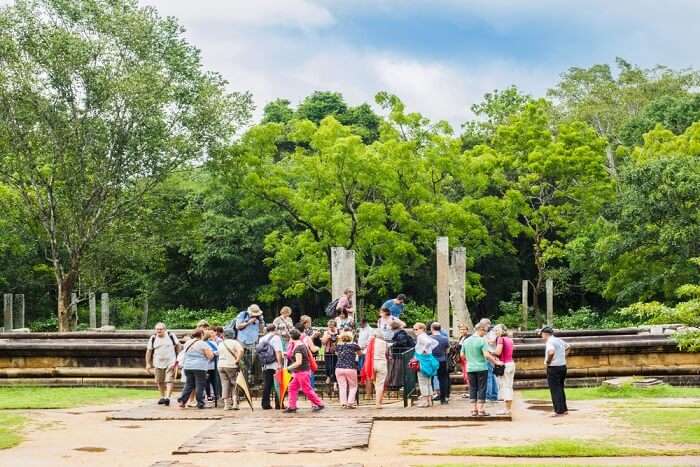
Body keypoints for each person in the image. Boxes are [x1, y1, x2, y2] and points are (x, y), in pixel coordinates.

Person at [462, 321, 502, 417]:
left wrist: (471, 359)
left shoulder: (466, 341)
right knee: (482, 388)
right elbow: (486, 354)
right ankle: (481, 410)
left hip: (470, 368)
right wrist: (496, 362)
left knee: (472, 388)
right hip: (481, 367)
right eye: (485, 331)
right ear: (480, 329)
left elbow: (462, 355)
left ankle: (473, 409)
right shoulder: (481, 340)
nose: (485, 333)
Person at [284, 329, 325, 413]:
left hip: (302, 372)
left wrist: (287, 368)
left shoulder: (298, 347)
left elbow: (298, 362)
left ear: (291, 337)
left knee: (306, 389)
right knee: (292, 387)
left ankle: (319, 404)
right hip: (299, 372)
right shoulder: (299, 345)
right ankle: (292, 406)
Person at [177, 329, 215, 409]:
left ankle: (182, 401)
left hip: (188, 366)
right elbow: (210, 356)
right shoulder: (203, 344)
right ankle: (200, 402)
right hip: (200, 367)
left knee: (189, 384)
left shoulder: (187, 343)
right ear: (201, 334)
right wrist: (213, 354)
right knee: (200, 385)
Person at [145, 322, 181, 406]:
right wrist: (148, 363)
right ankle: (162, 396)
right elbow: (149, 351)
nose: (159, 331)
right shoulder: (153, 338)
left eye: (161, 329)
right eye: (157, 329)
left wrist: (178, 359)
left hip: (170, 361)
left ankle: (167, 397)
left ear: (165, 329)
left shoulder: (171, 336)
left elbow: (178, 345)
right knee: (159, 381)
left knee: (169, 380)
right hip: (157, 362)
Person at [541, 326, 571, 417]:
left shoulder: (549, 342)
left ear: (545, 334)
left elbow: (551, 352)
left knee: (555, 389)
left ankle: (558, 411)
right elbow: (569, 346)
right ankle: (564, 409)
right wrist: (563, 356)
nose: (542, 337)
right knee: (560, 388)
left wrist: (548, 361)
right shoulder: (558, 340)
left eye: (542, 335)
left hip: (553, 367)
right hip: (562, 366)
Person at [236, 304, 265, 383]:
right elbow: (238, 326)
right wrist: (249, 322)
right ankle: (243, 381)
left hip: (253, 342)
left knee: (251, 362)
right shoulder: (243, 315)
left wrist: (261, 321)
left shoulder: (259, 317)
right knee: (242, 363)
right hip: (242, 342)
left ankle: (251, 380)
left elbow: (262, 331)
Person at [412, 322, 439, 408]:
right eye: (414, 329)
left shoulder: (420, 336)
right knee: (428, 382)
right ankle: (429, 401)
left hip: (422, 362)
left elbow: (428, 343)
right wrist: (428, 350)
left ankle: (425, 401)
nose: (414, 331)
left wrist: (423, 350)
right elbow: (435, 343)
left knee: (422, 382)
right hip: (428, 361)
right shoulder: (426, 336)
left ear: (422, 329)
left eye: (416, 329)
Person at [217, 328, 244, 410]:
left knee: (224, 384)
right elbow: (241, 350)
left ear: (224, 335)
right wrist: (237, 360)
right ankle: (235, 403)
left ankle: (226, 405)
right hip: (231, 365)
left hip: (221, 365)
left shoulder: (221, 343)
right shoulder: (235, 342)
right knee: (234, 384)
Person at [259, 324, 284, 410]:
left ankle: (265, 404)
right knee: (278, 384)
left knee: (267, 384)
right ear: (275, 329)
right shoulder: (276, 338)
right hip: (275, 364)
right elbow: (278, 351)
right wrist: (280, 364)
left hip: (266, 364)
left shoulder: (262, 338)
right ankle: (279, 404)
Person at [335, 332, 362, 408]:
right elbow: (360, 354)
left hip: (339, 368)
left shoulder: (338, 346)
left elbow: (337, 354)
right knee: (353, 386)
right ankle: (350, 403)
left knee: (342, 386)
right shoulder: (354, 346)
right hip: (350, 367)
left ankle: (343, 403)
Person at [493, 324, 515, 416]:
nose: (496, 332)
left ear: (503, 331)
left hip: (504, 364)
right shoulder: (510, 339)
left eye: (497, 330)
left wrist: (488, 352)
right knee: (508, 386)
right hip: (511, 363)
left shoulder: (500, 339)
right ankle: (508, 408)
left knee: (505, 386)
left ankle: (507, 409)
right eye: (495, 330)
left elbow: (498, 352)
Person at [430, 322, 450, 404]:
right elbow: (447, 350)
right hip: (442, 360)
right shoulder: (445, 338)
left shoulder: (429, 338)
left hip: (431, 360)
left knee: (430, 378)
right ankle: (443, 398)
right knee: (443, 379)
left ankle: (430, 396)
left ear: (432, 328)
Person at [480, 318, 499, 402]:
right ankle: (494, 394)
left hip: (490, 354)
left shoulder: (491, 333)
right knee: (492, 375)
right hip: (491, 355)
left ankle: (489, 395)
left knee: (488, 376)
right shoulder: (490, 333)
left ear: (487, 325)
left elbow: (492, 342)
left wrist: (484, 339)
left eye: (483, 325)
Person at [321, 319, 340, 390]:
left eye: (332, 326)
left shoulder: (338, 332)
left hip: (336, 352)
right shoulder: (326, 332)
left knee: (335, 367)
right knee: (328, 366)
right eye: (329, 326)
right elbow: (323, 342)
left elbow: (341, 341)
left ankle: (335, 383)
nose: (330, 328)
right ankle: (328, 377)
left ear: (335, 326)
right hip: (328, 351)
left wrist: (337, 340)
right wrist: (327, 337)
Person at [204, 329, 219, 402]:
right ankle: (215, 395)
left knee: (207, 380)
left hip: (207, 364)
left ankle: (209, 395)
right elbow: (217, 351)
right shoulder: (213, 343)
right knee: (213, 380)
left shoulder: (203, 343)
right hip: (212, 365)